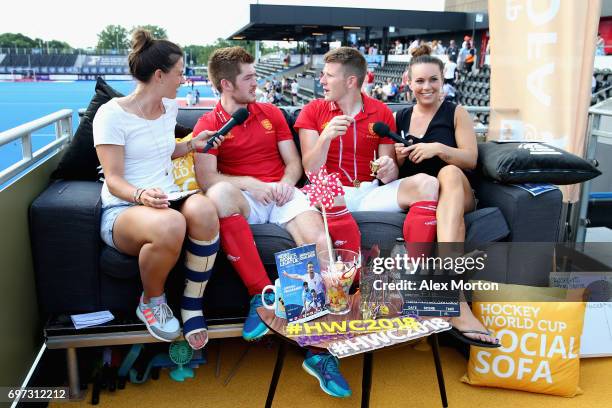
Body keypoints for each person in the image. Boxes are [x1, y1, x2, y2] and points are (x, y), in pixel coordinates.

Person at [192, 47, 352, 398]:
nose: (257, 82)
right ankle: (260, 298)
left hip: (282, 195)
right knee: (217, 197)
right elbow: (208, 180)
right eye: (249, 77)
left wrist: (283, 183)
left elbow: (294, 165)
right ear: (226, 84)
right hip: (245, 197)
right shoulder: (208, 125)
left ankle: (319, 352)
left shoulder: (271, 112)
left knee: (321, 243)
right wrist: (254, 185)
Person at [93, 29, 220, 351]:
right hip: (126, 207)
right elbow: (114, 179)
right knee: (172, 223)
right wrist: (141, 195)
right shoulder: (111, 114)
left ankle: (192, 304)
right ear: (160, 75)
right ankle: (152, 300)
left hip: (168, 197)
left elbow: (163, 152)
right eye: (179, 73)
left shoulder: (169, 108)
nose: (184, 79)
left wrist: (192, 145)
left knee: (206, 210)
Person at [294, 46, 440, 283]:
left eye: (329, 75)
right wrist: (325, 138)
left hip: (369, 191)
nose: (322, 80)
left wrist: (388, 166)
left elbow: (389, 174)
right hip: (328, 193)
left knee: (428, 184)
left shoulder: (380, 111)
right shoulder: (313, 110)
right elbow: (311, 171)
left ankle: (415, 278)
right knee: (329, 186)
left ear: (350, 81)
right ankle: (353, 281)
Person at [393, 44, 500, 347]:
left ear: (443, 81)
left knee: (449, 173)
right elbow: (391, 173)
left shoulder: (457, 113)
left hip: (458, 193)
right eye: (420, 81)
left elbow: (470, 160)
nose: (427, 87)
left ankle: (453, 297)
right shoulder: (400, 118)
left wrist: (438, 149)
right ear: (408, 82)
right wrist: (398, 157)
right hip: (425, 198)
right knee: (433, 181)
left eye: (433, 80)